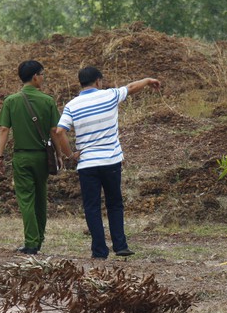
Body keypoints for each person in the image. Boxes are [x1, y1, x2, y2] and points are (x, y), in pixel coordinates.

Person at [54, 66, 161, 259]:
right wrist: (147, 80)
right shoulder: (110, 95)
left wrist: (70, 154)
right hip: (111, 161)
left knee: (92, 207)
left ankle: (99, 251)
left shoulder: (72, 105)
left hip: (87, 164)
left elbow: (60, 131)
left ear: (81, 83)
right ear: (97, 81)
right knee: (114, 203)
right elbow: (131, 87)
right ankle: (120, 246)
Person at [0, 60, 61, 254]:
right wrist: (58, 154)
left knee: (26, 199)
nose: (43, 78)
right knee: (41, 197)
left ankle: (31, 242)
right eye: (42, 74)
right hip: (42, 157)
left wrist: (0, 156)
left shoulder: (11, 101)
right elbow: (54, 131)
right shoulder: (47, 101)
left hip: (22, 158)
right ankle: (39, 238)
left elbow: (4, 129)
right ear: (34, 77)